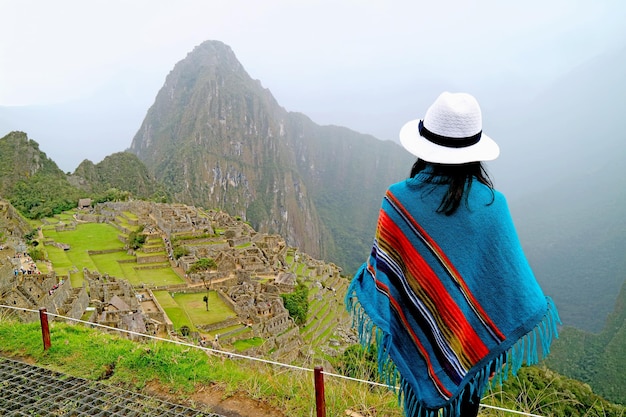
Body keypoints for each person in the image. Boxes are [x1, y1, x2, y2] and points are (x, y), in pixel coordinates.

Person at [346, 92, 560, 417]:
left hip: (431, 350)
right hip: (469, 360)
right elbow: (510, 291)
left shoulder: (398, 202)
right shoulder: (493, 206)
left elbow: (384, 275)